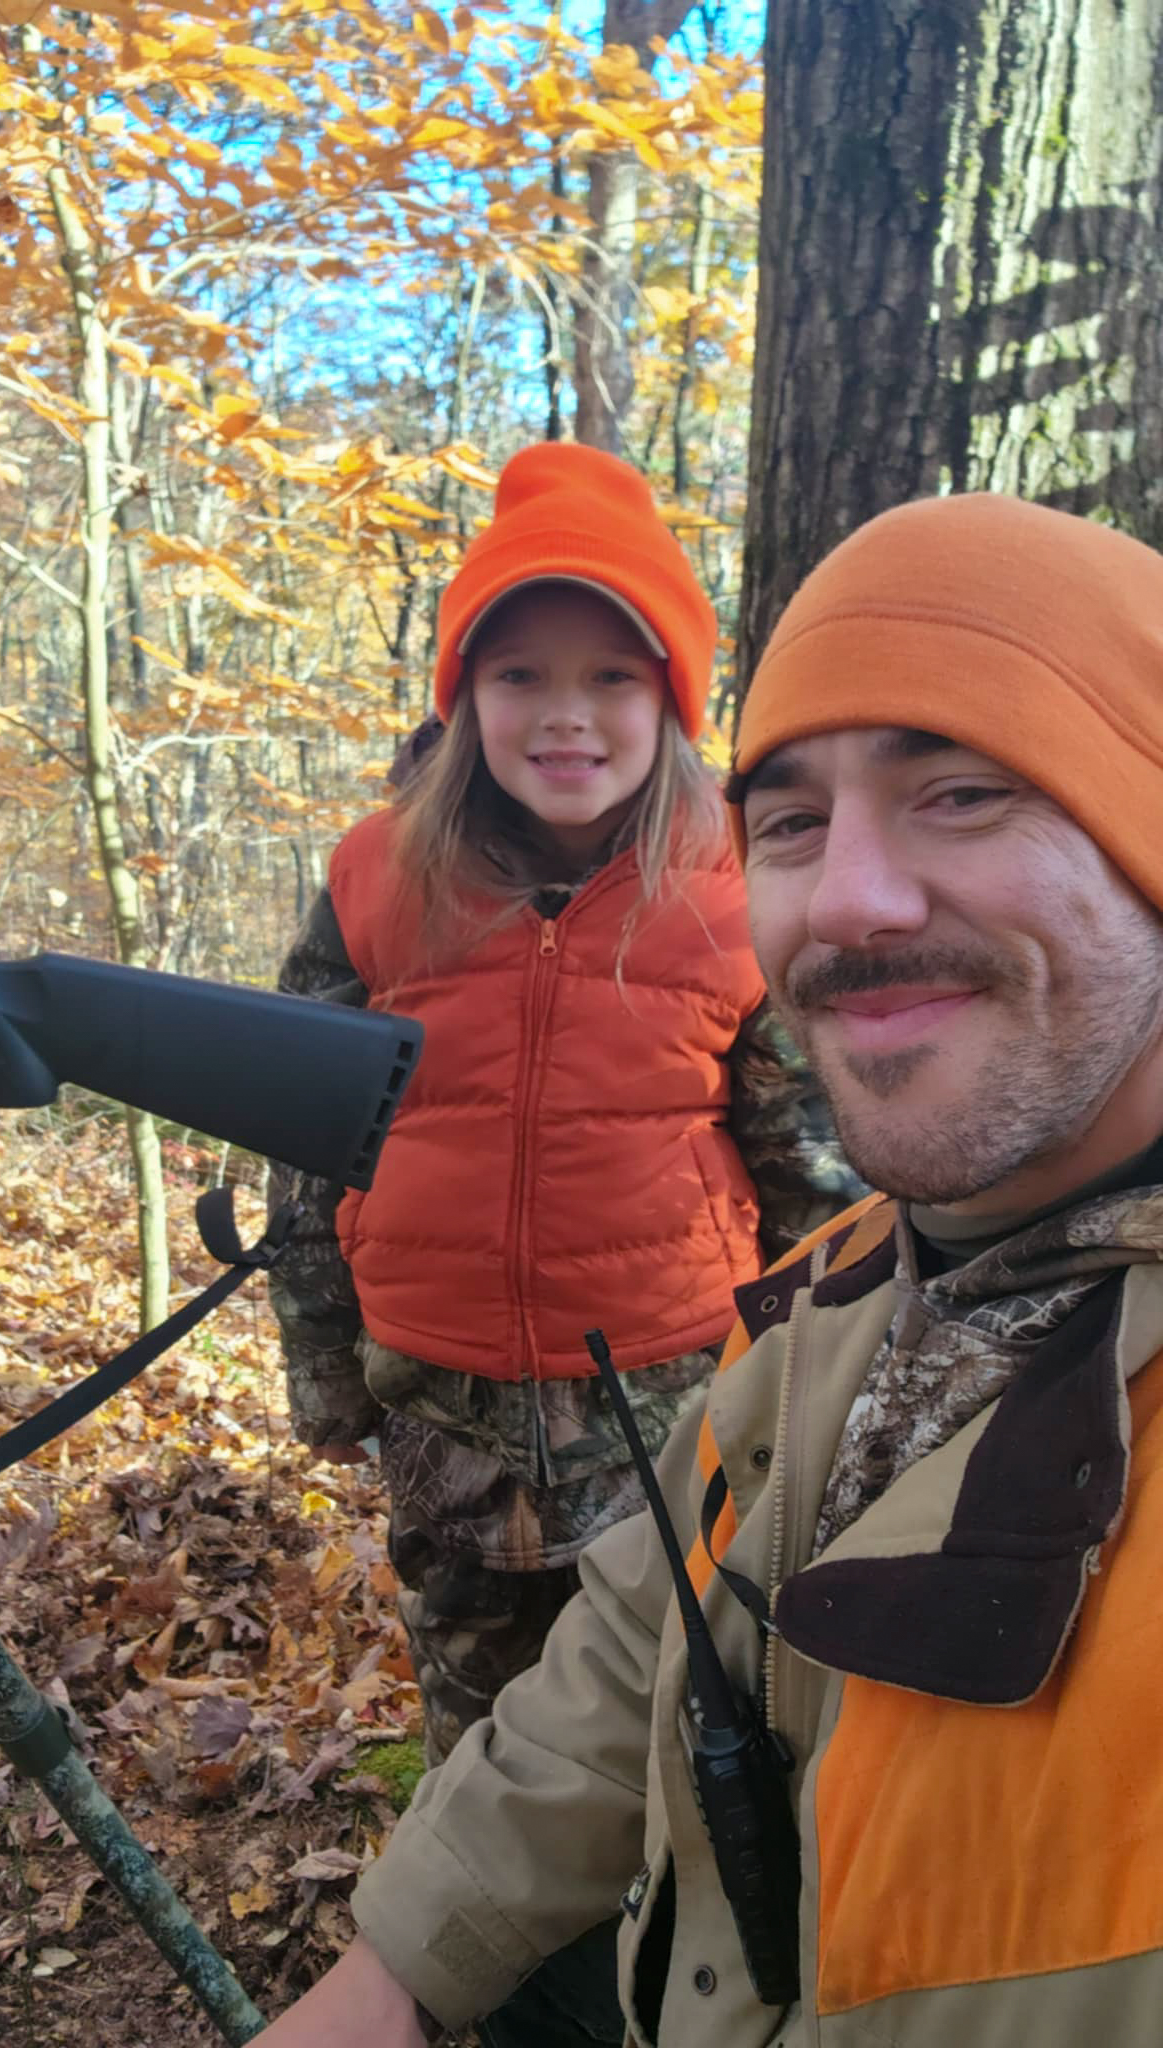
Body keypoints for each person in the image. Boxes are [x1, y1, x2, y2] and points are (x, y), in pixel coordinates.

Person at [256, 489, 1163, 2048]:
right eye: (794, 823)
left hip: (638, 1368)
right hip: (443, 1412)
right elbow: (666, 1625)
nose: (849, 898)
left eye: (964, 791)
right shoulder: (871, 1297)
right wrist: (403, 1967)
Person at [268, 442, 849, 1773]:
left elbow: (809, 1167)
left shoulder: (736, 887)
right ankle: (481, 1977)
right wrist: (323, 1367)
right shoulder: (375, 876)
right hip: (434, 1398)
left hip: (673, 1402)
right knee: (478, 1743)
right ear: (468, 694)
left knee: (673, 1728)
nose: (565, 714)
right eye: (520, 673)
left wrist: (808, 1388)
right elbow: (301, 1147)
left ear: (673, 700)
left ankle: (655, 1970)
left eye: (612, 678)